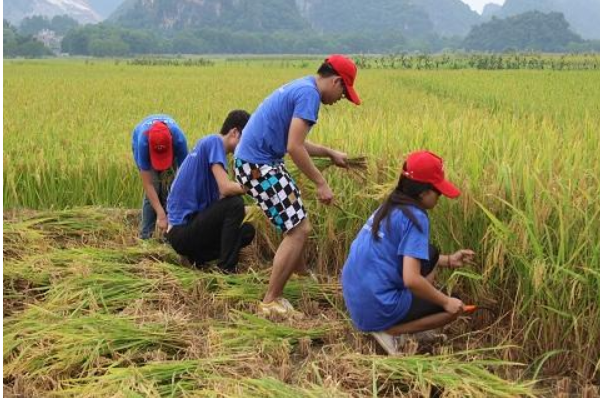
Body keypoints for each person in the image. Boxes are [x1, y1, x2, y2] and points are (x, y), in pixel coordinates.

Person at [234, 54, 361, 317]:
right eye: (344, 93)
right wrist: (321, 183)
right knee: (299, 229)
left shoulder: (303, 86)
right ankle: (271, 301)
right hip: (259, 166)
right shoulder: (309, 95)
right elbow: (294, 147)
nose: (341, 99)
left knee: (297, 220)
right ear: (336, 81)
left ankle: (300, 275)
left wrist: (329, 153)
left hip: (259, 163)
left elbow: (295, 140)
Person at [341, 151, 476, 355]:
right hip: (377, 308)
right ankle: (391, 330)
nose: (440, 197)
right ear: (423, 193)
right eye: (438, 191)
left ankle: (397, 321)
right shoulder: (417, 218)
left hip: (356, 300)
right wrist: (446, 302)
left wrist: (448, 260)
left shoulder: (390, 205)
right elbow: (411, 280)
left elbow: (396, 254)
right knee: (451, 309)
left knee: (430, 253)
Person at [166, 110, 255, 273]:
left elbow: (220, 203)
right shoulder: (214, 142)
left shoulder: (209, 151)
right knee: (235, 204)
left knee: (247, 231)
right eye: (246, 139)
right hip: (181, 232)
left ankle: (198, 259)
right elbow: (226, 188)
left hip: (191, 233)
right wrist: (254, 184)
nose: (248, 145)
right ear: (234, 132)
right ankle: (226, 270)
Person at [132, 114, 188, 240]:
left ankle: (168, 236)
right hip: (143, 145)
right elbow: (148, 184)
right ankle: (146, 236)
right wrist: (161, 214)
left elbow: (184, 177)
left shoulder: (179, 139)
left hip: (171, 147)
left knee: (168, 188)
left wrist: (174, 210)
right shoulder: (143, 142)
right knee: (154, 188)